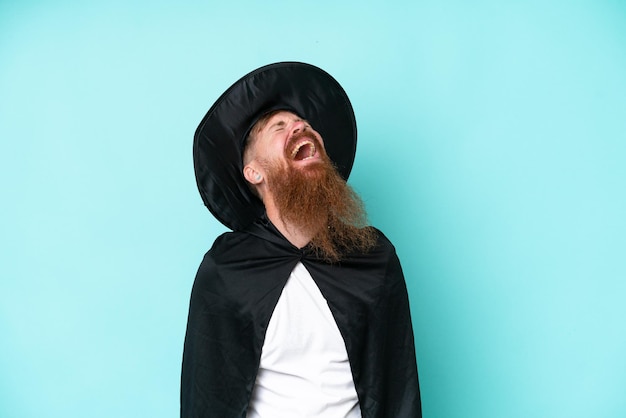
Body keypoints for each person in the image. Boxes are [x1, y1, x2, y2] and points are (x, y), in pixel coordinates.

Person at [181, 62, 421, 418]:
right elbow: (206, 398)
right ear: (254, 172)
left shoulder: (374, 257)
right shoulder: (227, 270)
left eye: (305, 125)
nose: (300, 125)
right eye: (279, 127)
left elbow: (400, 389)